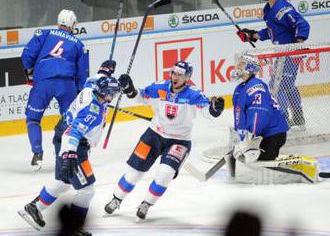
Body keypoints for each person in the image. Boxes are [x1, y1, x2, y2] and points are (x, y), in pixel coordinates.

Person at [104, 61, 225, 220]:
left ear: (187, 77)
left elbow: (208, 112)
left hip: (179, 141)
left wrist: (215, 109)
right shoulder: (159, 87)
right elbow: (140, 96)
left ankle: (146, 203)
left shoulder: (194, 94)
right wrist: (129, 88)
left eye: (180, 74)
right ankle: (116, 199)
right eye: (174, 73)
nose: (175, 77)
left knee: (165, 174)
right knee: (134, 173)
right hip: (153, 135)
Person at [18, 68, 121, 235]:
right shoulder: (91, 112)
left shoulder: (90, 88)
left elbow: (95, 78)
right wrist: (69, 154)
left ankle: (34, 207)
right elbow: (71, 133)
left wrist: (105, 72)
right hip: (74, 145)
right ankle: (75, 228)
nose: (113, 97)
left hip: (62, 133)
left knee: (64, 181)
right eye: (112, 93)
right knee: (87, 190)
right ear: (103, 92)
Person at [227, 54, 318, 184]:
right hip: (261, 134)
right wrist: (241, 138)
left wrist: (251, 137)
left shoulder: (256, 87)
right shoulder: (240, 88)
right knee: (247, 159)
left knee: (262, 164)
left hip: (273, 134)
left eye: (241, 64)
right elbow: (239, 115)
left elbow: (259, 113)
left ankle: (300, 171)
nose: (237, 67)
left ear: (250, 67)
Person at [21, 9, 89, 171]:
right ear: (73, 24)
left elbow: (27, 55)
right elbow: (82, 72)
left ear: (59, 22)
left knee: (33, 119)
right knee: (72, 120)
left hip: (43, 81)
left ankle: (37, 154)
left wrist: (30, 70)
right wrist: (79, 90)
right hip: (66, 84)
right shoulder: (79, 44)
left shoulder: (43, 34)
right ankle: (72, 153)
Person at [236, 0, 310, 131]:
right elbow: (272, 31)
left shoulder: (283, 9)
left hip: (290, 53)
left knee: (278, 85)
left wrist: (298, 44)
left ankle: (283, 118)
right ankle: (299, 118)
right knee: (286, 84)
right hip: (282, 53)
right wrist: (252, 35)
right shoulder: (268, 9)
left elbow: (303, 24)